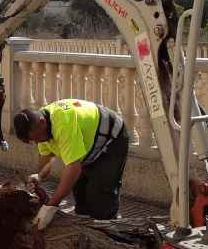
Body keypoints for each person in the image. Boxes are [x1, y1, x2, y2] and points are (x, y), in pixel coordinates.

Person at [13, 98, 128, 229]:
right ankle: (85, 231)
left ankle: (109, 236)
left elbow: (73, 168)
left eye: (37, 139)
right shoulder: (39, 126)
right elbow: (47, 157)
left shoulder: (63, 123)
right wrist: (39, 176)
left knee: (100, 195)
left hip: (112, 139)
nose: (38, 143)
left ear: (42, 122)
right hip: (90, 146)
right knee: (80, 192)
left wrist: (51, 206)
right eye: (34, 141)